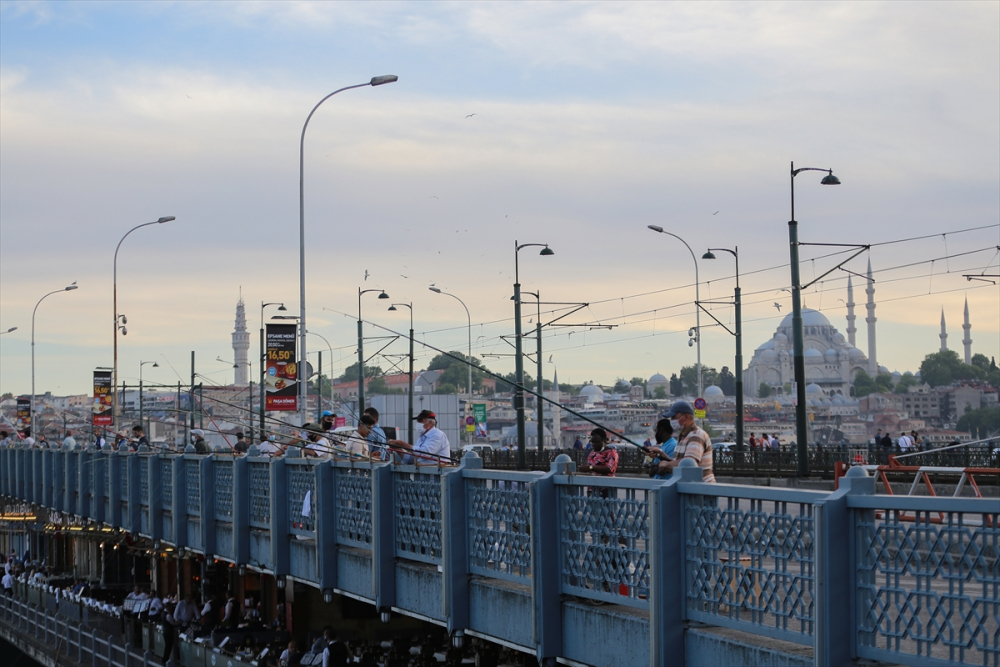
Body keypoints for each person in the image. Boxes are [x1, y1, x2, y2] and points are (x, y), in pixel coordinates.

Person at [657, 400, 715, 482]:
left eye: (674, 417)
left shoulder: (696, 435)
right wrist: (661, 454)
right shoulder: (684, 436)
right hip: (692, 486)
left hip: (703, 488)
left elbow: (688, 464)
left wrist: (667, 464)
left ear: (686, 417)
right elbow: (679, 464)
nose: (671, 420)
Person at [387, 410, 452, 466]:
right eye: (418, 421)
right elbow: (414, 458)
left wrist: (403, 444)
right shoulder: (422, 437)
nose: (418, 423)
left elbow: (425, 454)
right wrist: (398, 449)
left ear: (430, 422)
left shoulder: (438, 435)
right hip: (424, 475)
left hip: (436, 475)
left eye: (421, 421)